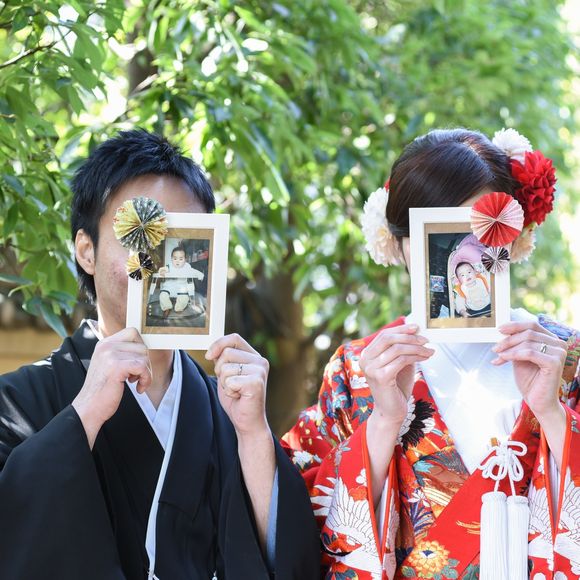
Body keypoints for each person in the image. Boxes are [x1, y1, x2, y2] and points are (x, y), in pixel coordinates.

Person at [0, 130, 319, 579]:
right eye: (140, 235)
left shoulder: (229, 410)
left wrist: (254, 437)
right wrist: (83, 415)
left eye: (183, 238)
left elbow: (291, 562)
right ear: (87, 251)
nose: (161, 260)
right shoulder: (20, 400)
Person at [283, 128, 580, 579]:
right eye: (434, 234)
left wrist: (553, 416)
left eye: (482, 229)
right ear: (398, 242)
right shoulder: (357, 369)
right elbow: (299, 518)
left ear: (514, 235)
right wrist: (383, 423)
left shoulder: (566, 357)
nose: (461, 248)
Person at [158, 244, 204, 315]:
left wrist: (200, 275)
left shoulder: (187, 267)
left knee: (184, 298)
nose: (177, 261)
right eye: (175, 259)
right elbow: (163, 269)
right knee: (162, 295)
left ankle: (179, 308)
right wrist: (162, 271)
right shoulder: (169, 266)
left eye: (181, 259)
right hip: (169, 287)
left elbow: (193, 271)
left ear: (185, 259)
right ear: (171, 259)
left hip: (182, 287)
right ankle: (166, 307)